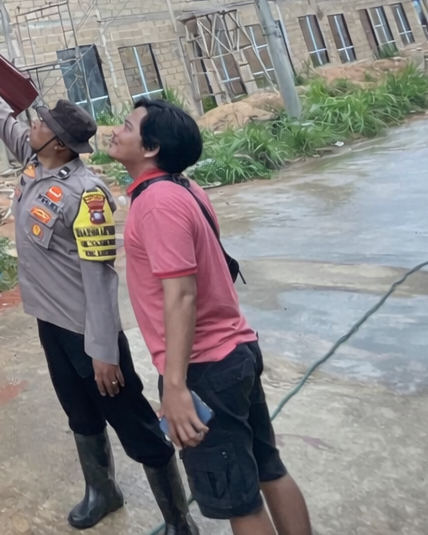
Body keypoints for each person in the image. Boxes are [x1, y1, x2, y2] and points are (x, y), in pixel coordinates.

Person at [0, 35, 196, 533]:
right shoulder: (35, 163)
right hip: (51, 325)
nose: (28, 126)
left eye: (39, 124)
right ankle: (103, 490)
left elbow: (100, 277)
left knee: (135, 425)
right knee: (79, 413)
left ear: (57, 141)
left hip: (88, 332)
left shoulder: (88, 195)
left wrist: (103, 349)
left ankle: (178, 520)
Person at [107, 98, 313, 535]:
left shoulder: (157, 202)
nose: (116, 130)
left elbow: (180, 294)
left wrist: (176, 387)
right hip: (235, 352)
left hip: (204, 369)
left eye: (127, 126)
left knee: (238, 498)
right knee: (267, 467)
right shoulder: (183, 188)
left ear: (151, 148)